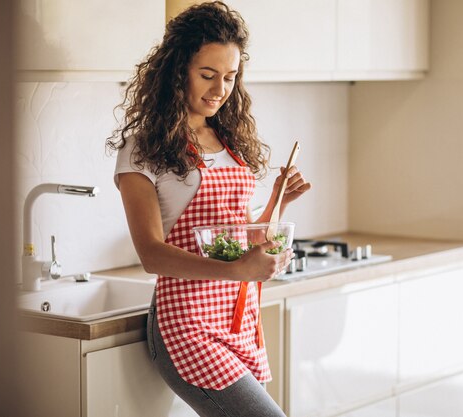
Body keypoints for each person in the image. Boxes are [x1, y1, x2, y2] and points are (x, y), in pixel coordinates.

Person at [107, 2, 311, 416]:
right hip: (187, 328)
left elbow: (234, 237)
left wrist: (276, 204)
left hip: (239, 318)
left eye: (231, 77)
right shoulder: (143, 149)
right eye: (207, 75)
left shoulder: (228, 139)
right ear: (177, 69)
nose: (220, 88)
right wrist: (238, 271)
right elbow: (150, 254)